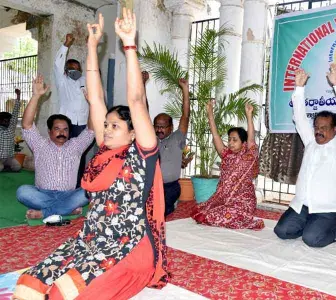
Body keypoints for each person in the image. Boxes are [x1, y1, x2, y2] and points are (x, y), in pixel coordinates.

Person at [13, 10, 168, 299]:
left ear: (133, 132)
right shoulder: (104, 152)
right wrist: (93, 45)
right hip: (91, 239)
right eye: (105, 125)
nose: (107, 130)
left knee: (64, 294)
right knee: (28, 285)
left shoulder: (141, 153)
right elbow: (94, 98)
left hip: (128, 247)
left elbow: (135, 101)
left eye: (115, 126)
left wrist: (129, 45)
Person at [273, 64, 336, 248]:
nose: (318, 131)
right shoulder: (311, 142)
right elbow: (300, 117)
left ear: (335, 130)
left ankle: (333, 229)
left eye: (324, 128)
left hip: (329, 208)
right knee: (282, 232)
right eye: (317, 127)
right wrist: (299, 88)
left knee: (312, 240)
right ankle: (311, 225)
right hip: (303, 205)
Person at [16, 75, 93, 220]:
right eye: (57, 129)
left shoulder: (76, 145)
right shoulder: (40, 144)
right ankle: (66, 208)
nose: (62, 132)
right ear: (49, 131)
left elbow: (91, 130)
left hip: (69, 193)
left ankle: (46, 212)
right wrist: (36, 96)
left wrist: (92, 104)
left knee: (87, 192)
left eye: (65, 129)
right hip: (42, 193)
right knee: (23, 191)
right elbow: (26, 125)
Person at [191, 101, 264, 230]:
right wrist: (210, 113)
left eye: (235, 140)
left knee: (225, 215)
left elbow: (251, 139)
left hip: (242, 201)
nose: (230, 142)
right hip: (223, 198)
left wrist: (248, 115)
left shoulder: (249, 155)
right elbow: (215, 135)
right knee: (207, 211)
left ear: (243, 142)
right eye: (229, 139)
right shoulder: (226, 155)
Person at [55, 32, 93, 188]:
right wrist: (66, 44)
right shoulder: (62, 81)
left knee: (80, 155)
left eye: (77, 68)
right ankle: (61, 182)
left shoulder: (85, 80)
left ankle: (77, 184)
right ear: (66, 70)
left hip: (83, 124)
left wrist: (91, 47)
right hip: (67, 124)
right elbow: (57, 65)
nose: (75, 71)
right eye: (71, 68)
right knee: (64, 153)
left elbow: (93, 70)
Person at [154, 78, 190, 216]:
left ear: (171, 128)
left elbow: (185, 116)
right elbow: (142, 112)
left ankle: (168, 207)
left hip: (170, 187)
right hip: (152, 186)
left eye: (163, 127)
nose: (159, 130)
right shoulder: (150, 139)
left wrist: (185, 90)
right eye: (157, 126)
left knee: (160, 212)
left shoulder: (177, 138)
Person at [0, 88, 22, 172]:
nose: (6, 122)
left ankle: (5, 166)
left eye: (7, 120)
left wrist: (18, 96)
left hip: (9, 158)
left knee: (17, 167)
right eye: (3, 120)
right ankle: (3, 167)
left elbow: (15, 113)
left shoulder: (11, 128)